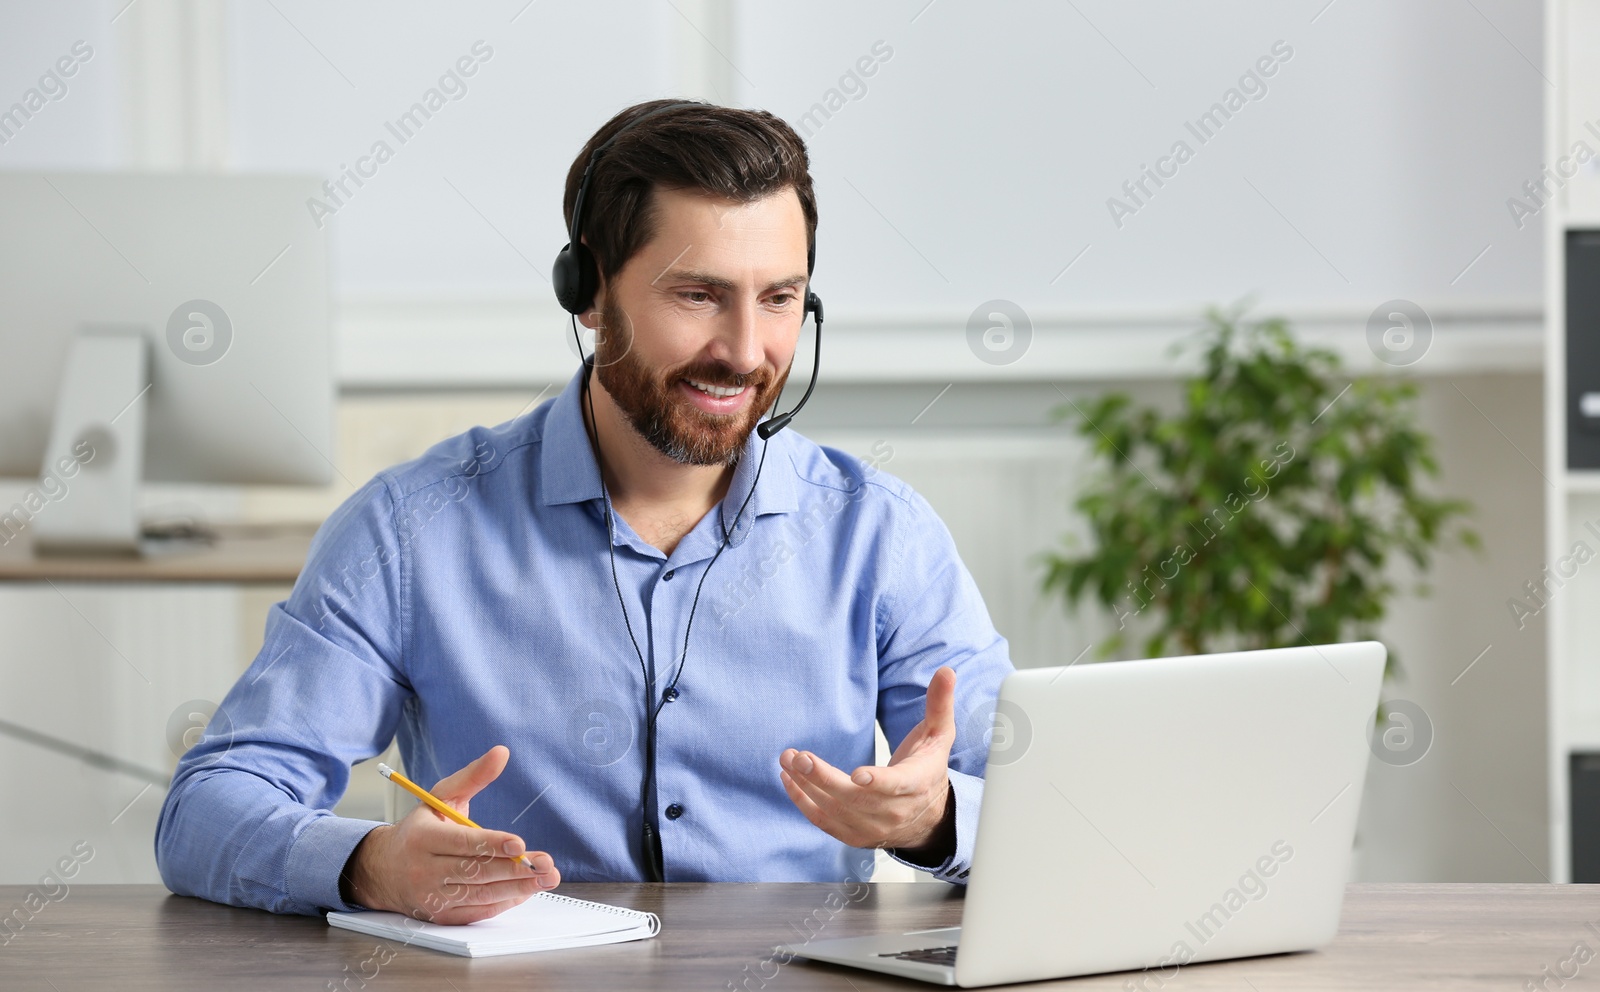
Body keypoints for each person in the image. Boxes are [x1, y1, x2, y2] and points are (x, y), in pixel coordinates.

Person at [155, 99, 1013, 923]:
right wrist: (368, 865)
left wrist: (934, 820)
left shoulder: (882, 536)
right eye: (699, 296)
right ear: (590, 290)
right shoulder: (411, 531)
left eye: (781, 298)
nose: (747, 352)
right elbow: (206, 811)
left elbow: (1046, 812)